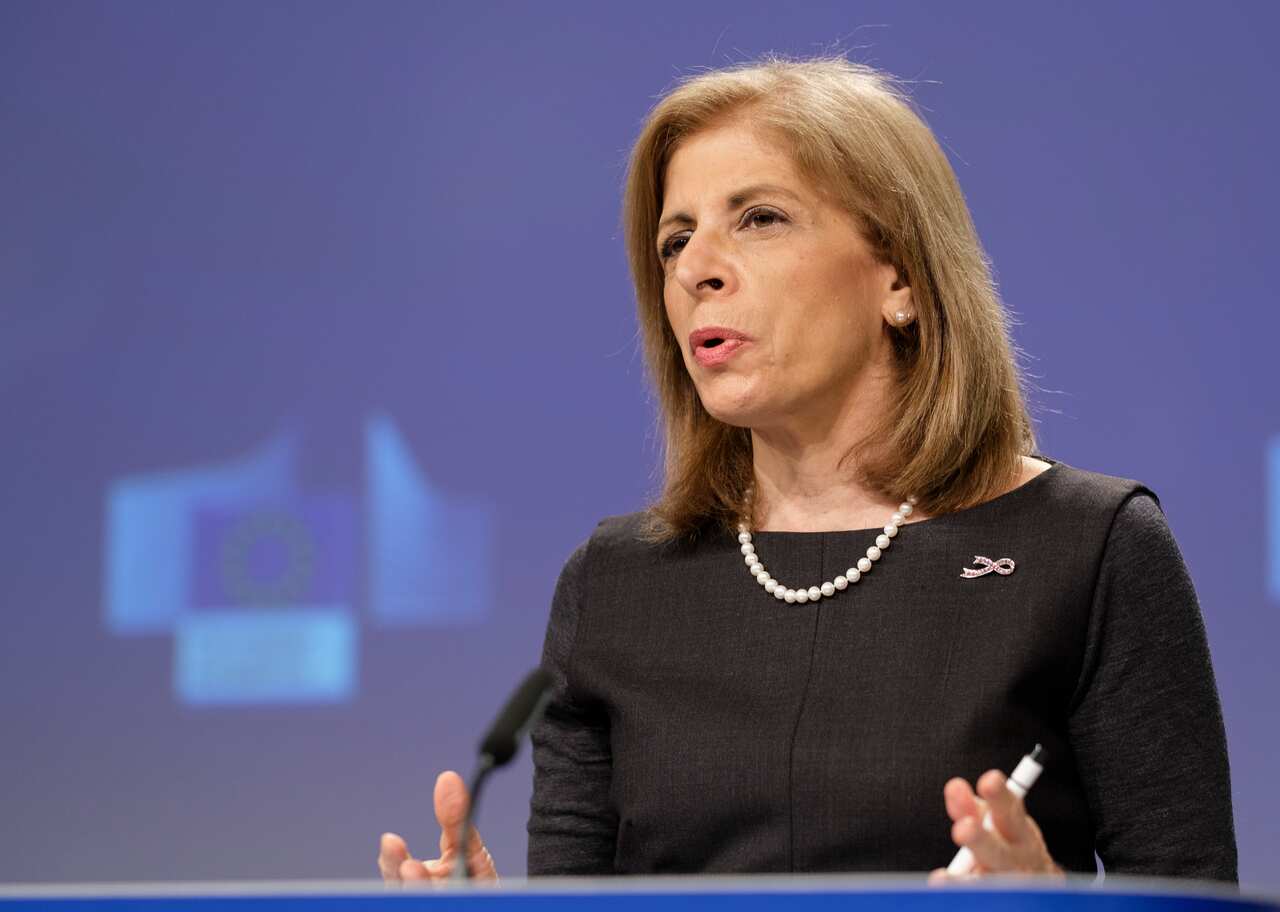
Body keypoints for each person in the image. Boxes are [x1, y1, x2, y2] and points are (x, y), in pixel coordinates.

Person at [378, 56, 1236, 884]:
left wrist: (1052, 907)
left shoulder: (1087, 549)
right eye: (675, 240)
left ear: (900, 277)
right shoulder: (615, 584)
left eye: (759, 218)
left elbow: (1190, 892)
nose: (695, 269)